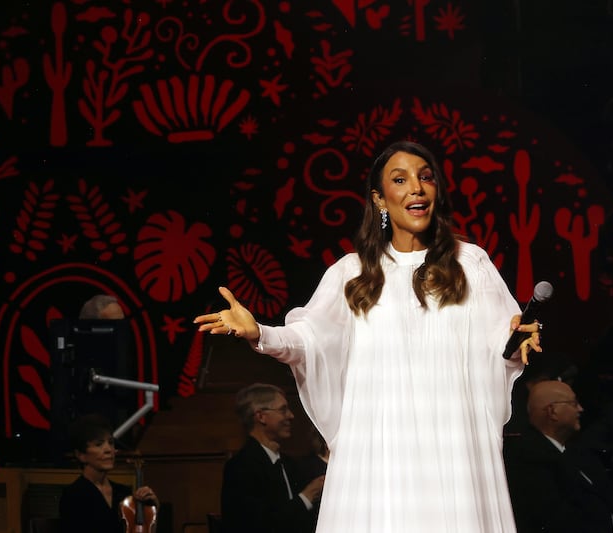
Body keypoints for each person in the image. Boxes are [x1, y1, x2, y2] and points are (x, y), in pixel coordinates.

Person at [194, 140, 542, 533]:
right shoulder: (352, 273)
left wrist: (517, 340)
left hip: (451, 446)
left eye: (426, 177)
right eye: (401, 179)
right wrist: (260, 332)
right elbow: (308, 339)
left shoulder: (470, 263)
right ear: (380, 199)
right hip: (380, 450)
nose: (417, 187)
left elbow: (501, 340)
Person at [504, 380, 613, 532]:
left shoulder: (577, 453)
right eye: (573, 403)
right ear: (552, 411)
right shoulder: (529, 460)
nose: (580, 409)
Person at [220, 383, 325, 533]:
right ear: (261, 416)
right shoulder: (240, 467)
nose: (291, 415)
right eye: (283, 410)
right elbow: (257, 524)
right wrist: (306, 497)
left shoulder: (289, 464)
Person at [58, 414, 158, 533]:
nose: (108, 450)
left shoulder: (124, 494)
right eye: (99, 444)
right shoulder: (73, 495)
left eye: (110, 443)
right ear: (81, 455)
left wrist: (152, 510)